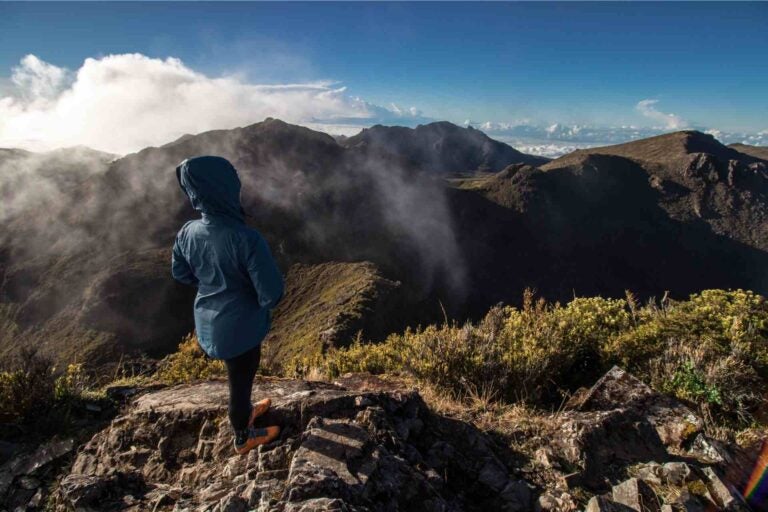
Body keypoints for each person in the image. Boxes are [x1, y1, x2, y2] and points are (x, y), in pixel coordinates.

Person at [171, 156, 284, 455]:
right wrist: (243, 293)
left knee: (238, 376)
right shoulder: (246, 238)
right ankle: (242, 435)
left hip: (207, 321)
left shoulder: (187, 232)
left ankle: (245, 410)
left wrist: (215, 282)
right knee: (240, 381)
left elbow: (180, 274)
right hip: (239, 329)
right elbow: (270, 294)